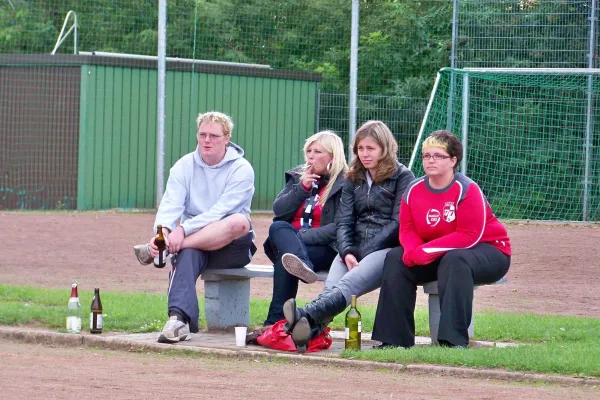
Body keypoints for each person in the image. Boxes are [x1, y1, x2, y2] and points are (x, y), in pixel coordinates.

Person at [282, 120, 415, 352]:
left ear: (384, 148)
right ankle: (308, 332)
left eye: (370, 148)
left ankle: (303, 315)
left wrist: (362, 253)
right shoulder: (353, 176)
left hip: (384, 249)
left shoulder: (403, 176)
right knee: (331, 289)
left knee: (347, 285)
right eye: (360, 149)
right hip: (351, 247)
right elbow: (344, 221)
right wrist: (347, 251)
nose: (364, 154)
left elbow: (397, 223)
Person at [371, 130, 511, 349]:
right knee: (396, 258)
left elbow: (468, 237)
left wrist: (424, 252)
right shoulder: (413, 190)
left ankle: (452, 341)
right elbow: (407, 229)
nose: (431, 160)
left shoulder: (466, 189)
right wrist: (411, 250)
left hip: (488, 251)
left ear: (453, 161)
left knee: (455, 260)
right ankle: (394, 340)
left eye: (438, 155)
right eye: (426, 156)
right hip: (441, 253)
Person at [133, 111, 255, 343]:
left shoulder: (242, 168)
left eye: (214, 136)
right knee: (187, 252)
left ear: (227, 138)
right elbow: (170, 205)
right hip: (195, 244)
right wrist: (164, 232)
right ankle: (178, 320)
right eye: (202, 135)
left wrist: (182, 232)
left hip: (231, 247)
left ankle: (167, 248)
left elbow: (220, 211)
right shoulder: (184, 166)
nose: (207, 140)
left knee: (239, 222)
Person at [262, 131, 348, 328]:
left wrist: (298, 237)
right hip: (295, 246)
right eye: (308, 150)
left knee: (287, 257)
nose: (311, 155)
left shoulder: (346, 181)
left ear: (332, 156)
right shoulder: (298, 176)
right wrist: (302, 188)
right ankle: (300, 263)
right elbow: (279, 209)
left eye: (317, 151)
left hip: (325, 247)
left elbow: (339, 227)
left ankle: (275, 323)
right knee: (278, 229)